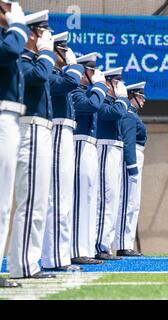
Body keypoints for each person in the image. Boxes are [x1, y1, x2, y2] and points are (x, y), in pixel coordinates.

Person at [7, 9, 57, 279]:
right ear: (31, 36)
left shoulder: (36, 60)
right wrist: (47, 52)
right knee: (31, 202)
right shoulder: (25, 61)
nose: (44, 38)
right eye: (41, 33)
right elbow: (39, 78)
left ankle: (28, 262)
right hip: (31, 130)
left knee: (38, 201)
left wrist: (45, 53)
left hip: (42, 132)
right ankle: (24, 265)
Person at [41, 31, 84, 271]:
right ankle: (55, 258)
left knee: (63, 196)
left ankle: (59, 255)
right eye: (64, 51)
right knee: (57, 195)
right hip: (57, 129)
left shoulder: (58, 73)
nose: (67, 55)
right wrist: (74, 65)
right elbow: (70, 82)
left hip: (64, 129)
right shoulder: (54, 73)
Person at [0, 0, 28, 288]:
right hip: (2, 115)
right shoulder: (11, 38)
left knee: (4, 201)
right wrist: (18, 24)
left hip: (9, 116)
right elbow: (10, 51)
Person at [70, 52, 108, 265]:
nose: (94, 75)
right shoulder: (75, 90)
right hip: (79, 143)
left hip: (89, 145)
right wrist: (101, 86)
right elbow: (93, 105)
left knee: (89, 197)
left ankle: (85, 247)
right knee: (80, 197)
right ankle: (76, 249)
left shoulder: (88, 91)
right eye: (90, 70)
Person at [95, 67, 129, 260]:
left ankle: (104, 243)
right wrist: (123, 98)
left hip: (114, 148)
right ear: (108, 83)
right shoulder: (104, 101)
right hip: (105, 148)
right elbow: (115, 113)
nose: (119, 86)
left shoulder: (113, 102)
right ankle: (99, 245)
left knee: (113, 199)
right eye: (116, 82)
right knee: (105, 198)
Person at [113, 81, 148, 257]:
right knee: (128, 201)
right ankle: (122, 244)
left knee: (133, 202)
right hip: (132, 157)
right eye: (140, 96)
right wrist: (132, 166)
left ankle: (126, 242)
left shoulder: (132, 115)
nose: (143, 100)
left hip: (137, 155)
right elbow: (129, 142)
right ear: (132, 96)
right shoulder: (128, 115)